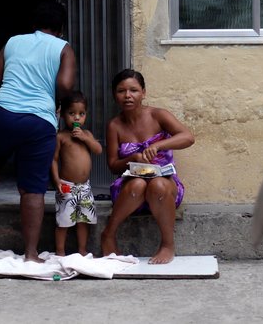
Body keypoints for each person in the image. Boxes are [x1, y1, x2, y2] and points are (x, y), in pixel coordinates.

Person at [0, 0, 76, 263]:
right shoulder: (63, 48)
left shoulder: (13, 41)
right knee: (32, 190)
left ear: (33, 24)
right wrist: (59, 100)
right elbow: (64, 84)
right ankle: (30, 254)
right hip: (36, 121)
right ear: (60, 28)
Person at [100, 69, 195, 264]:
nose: (128, 96)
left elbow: (188, 137)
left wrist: (158, 145)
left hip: (164, 189)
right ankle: (108, 234)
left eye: (133, 90)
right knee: (138, 185)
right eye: (121, 91)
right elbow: (112, 166)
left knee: (157, 184)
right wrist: (132, 158)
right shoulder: (114, 126)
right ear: (114, 95)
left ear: (143, 92)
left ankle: (167, 245)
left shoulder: (158, 115)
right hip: (130, 191)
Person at [50, 91, 103, 256]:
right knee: (64, 222)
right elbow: (54, 160)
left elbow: (98, 150)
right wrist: (57, 180)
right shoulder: (61, 137)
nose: (77, 118)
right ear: (62, 115)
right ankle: (60, 252)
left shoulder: (87, 135)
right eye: (71, 113)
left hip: (85, 188)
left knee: (83, 221)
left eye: (81, 114)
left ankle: (82, 250)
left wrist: (86, 139)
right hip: (67, 186)